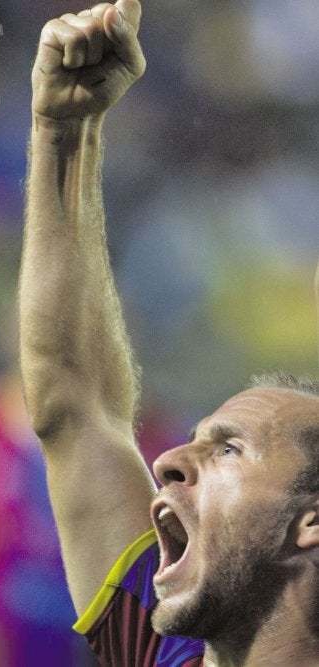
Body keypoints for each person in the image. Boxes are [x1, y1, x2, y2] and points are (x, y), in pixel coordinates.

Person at [19, 1, 319, 665]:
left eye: (231, 449)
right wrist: (64, 132)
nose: (166, 463)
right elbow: (75, 407)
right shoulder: (154, 647)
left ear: (311, 523)